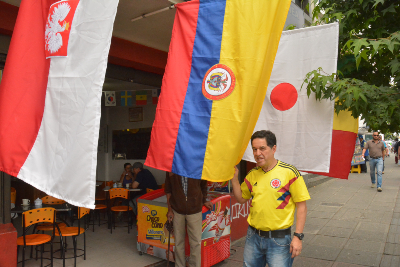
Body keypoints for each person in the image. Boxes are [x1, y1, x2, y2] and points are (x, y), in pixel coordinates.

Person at [231, 130, 310, 267]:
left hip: (279, 240)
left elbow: (301, 206)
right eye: (254, 149)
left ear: (274, 149)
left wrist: (298, 237)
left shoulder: (289, 172)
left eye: (262, 148)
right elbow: (241, 198)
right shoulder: (252, 174)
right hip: (253, 237)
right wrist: (234, 179)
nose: (257, 153)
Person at [165, 172, 213, 267]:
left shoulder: (197, 165)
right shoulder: (171, 168)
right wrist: (170, 210)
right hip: (177, 210)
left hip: (195, 209)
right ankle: (179, 265)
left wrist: (204, 200)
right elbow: (168, 191)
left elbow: (203, 187)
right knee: (178, 242)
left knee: (196, 242)